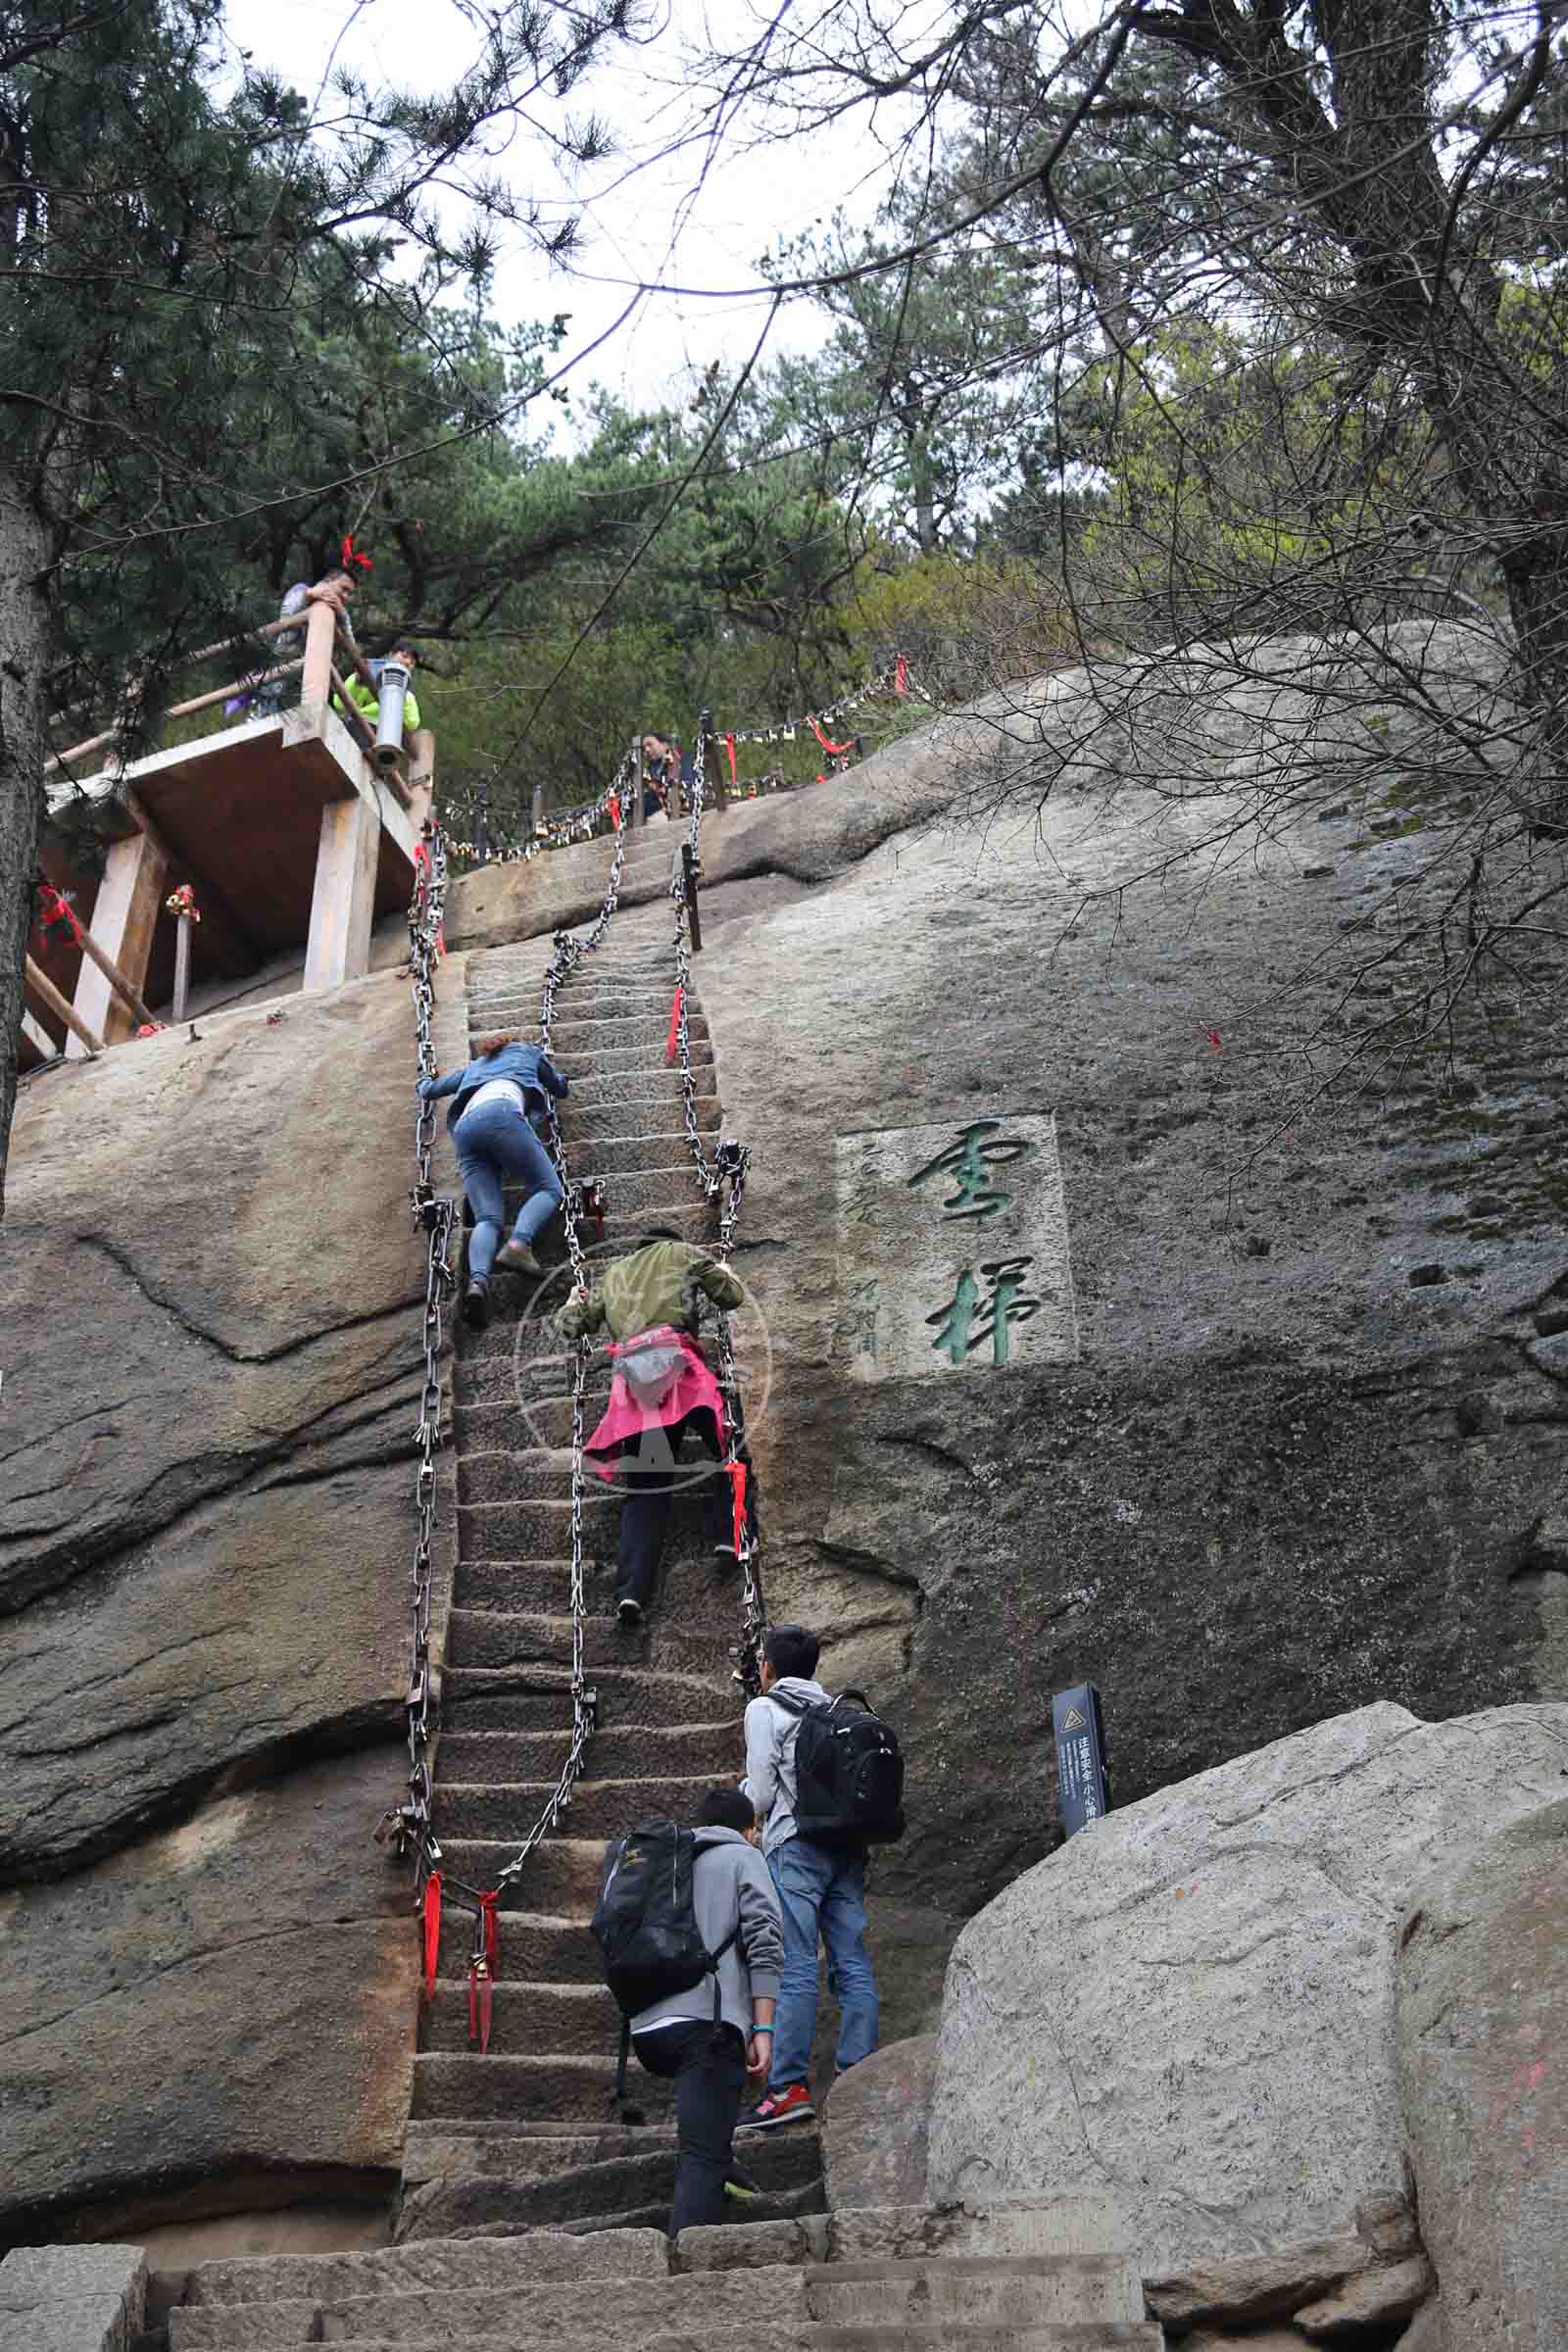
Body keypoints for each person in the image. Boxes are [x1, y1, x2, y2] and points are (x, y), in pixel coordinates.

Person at [556, 1230, 746, 1627]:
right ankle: (728, 1532)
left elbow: (574, 1327)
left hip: (635, 1384)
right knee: (730, 1448)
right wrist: (724, 1273)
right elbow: (731, 1297)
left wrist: (574, 1302)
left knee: (645, 1490)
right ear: (669, 1243)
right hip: (679, 1368)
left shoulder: (613, 1275)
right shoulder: (683, 1253)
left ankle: (631, 1592)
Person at [741, 1622, 879, 2129]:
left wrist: (745, 1812)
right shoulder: (834, 1709)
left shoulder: (765, 1707)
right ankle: (860, 2074)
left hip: (795, 1846)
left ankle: (788, 2087)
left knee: (796, 1964)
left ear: (768, 1669)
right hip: (846, 1846)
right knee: (851, 1959)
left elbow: (759, 1792)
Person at [629, 1788, 782, 2238]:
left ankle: (725, 2175)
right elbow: (765, 1942)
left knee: (707, 2136)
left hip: (649, 2025)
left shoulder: (666, 1863)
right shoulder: (744, 1857)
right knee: (702, 2155)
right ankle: (688, 2267)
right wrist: (765, 2026)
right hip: (708, 2024)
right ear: (749, 1830)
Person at [416, 1032, 568, 1330]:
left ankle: (478, 1283)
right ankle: (519, 1244)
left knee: (487, 1217)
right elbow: (559, 1088)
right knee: (549, 1189)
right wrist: (562, 1082)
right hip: (502, 1113)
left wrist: (423, 1081)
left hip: (466, 1129)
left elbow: (431, 1090)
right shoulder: (528, 1052)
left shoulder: (476, 1066)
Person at [339, 637, 423, 741]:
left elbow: (412, 723)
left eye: (412, 663)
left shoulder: (407, 697)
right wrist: (356, 682)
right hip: (352, 728)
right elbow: (339, 704)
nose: (407, 662)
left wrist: (401, 698)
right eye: (404, 656)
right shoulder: (364, 675)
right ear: (392, 654)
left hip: (382, 738)